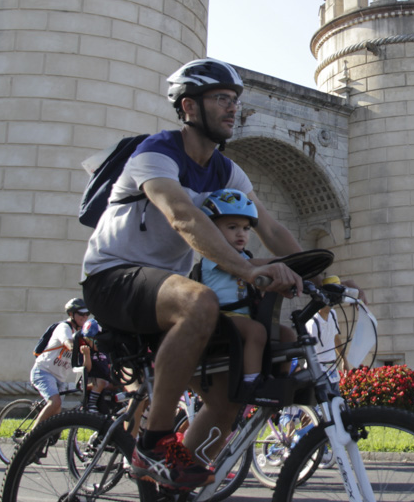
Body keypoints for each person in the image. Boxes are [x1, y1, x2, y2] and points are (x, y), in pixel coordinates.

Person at [81, 58, 306, 490]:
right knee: (199, 300)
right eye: (221, 98)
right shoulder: (156, 153)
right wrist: (243, 267)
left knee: (228, 394)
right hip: (113, 278)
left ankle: (174, 485)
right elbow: (182, 215)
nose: (232, 108)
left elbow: (271, 228)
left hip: (166, 292)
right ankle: (153, 443)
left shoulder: (226, 170)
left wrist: (322, 275)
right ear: (188, 107)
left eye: (235, 100)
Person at [198, 188, 296, 401]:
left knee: (288, 335)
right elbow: (246, 266)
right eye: (232, 227)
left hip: (244, 319)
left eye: (245, 228)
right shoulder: (213, 255)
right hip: (221, 319)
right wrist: (280, 264)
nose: (241, 233)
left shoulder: (245, 256)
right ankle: (251, 385)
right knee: (257, 332)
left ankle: (279, 380)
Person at [29, 298, 89, 430]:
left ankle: (41, 443)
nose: (84, 317)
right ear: (71, 314)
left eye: (87, 314)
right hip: (44, 371)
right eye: (81, 314)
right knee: (55, 403)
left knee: (55, 416)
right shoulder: (64, 327)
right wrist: (76, 348)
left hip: (59, 378)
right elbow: (67, 342)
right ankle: (31, 438)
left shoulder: (83, 333)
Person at [306, 305, 347, 384]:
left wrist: (344, 360)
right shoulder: (312, 324)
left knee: (336, 396)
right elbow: (309, 353)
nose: (330, 304)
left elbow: (336, 338)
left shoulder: (333, 314)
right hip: (319, 370)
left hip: (332, 369)